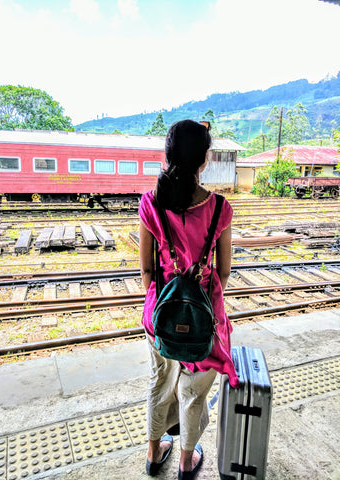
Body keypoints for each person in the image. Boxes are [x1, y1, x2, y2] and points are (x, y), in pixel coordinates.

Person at [139, 119, 239, 479]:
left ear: (168, 155)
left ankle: (154, 454)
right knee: (193, 392)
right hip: (205, 317)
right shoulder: (220, 208)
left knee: (160, 381)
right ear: (204, 159)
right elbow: (224, 272)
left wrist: (161, 303)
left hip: (160, 315)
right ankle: (185, 461)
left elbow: (147, 273)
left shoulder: (151, 203)